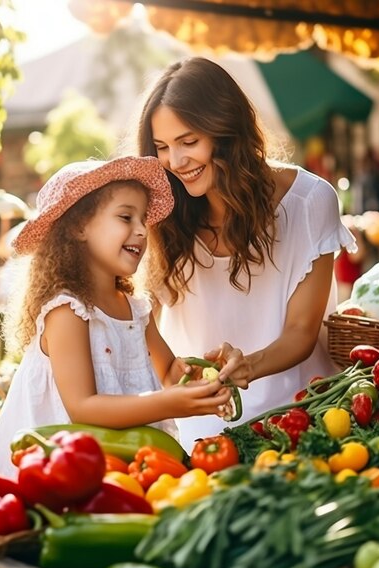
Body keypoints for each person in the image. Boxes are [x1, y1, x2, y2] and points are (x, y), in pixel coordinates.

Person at [134, 56, 357, 454]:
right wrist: (175, 380)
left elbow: (301, 333)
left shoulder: (309, 200)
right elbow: (142, 317)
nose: (176, 162)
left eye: (189, 142)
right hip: (204, 439)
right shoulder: (163, 213)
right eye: (162, 147)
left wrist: (247, 366)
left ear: (227, 132)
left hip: (305, 424)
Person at [0, 156, 239, 477]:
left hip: (117, 461)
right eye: (125, 217)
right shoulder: (67, 310)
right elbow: (83, 407)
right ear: (79, 226)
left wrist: (202, 377)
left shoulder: (134, 307)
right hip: (57, 468)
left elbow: (169, 371)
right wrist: (171, 403)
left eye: (142, 220)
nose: (140, 230)